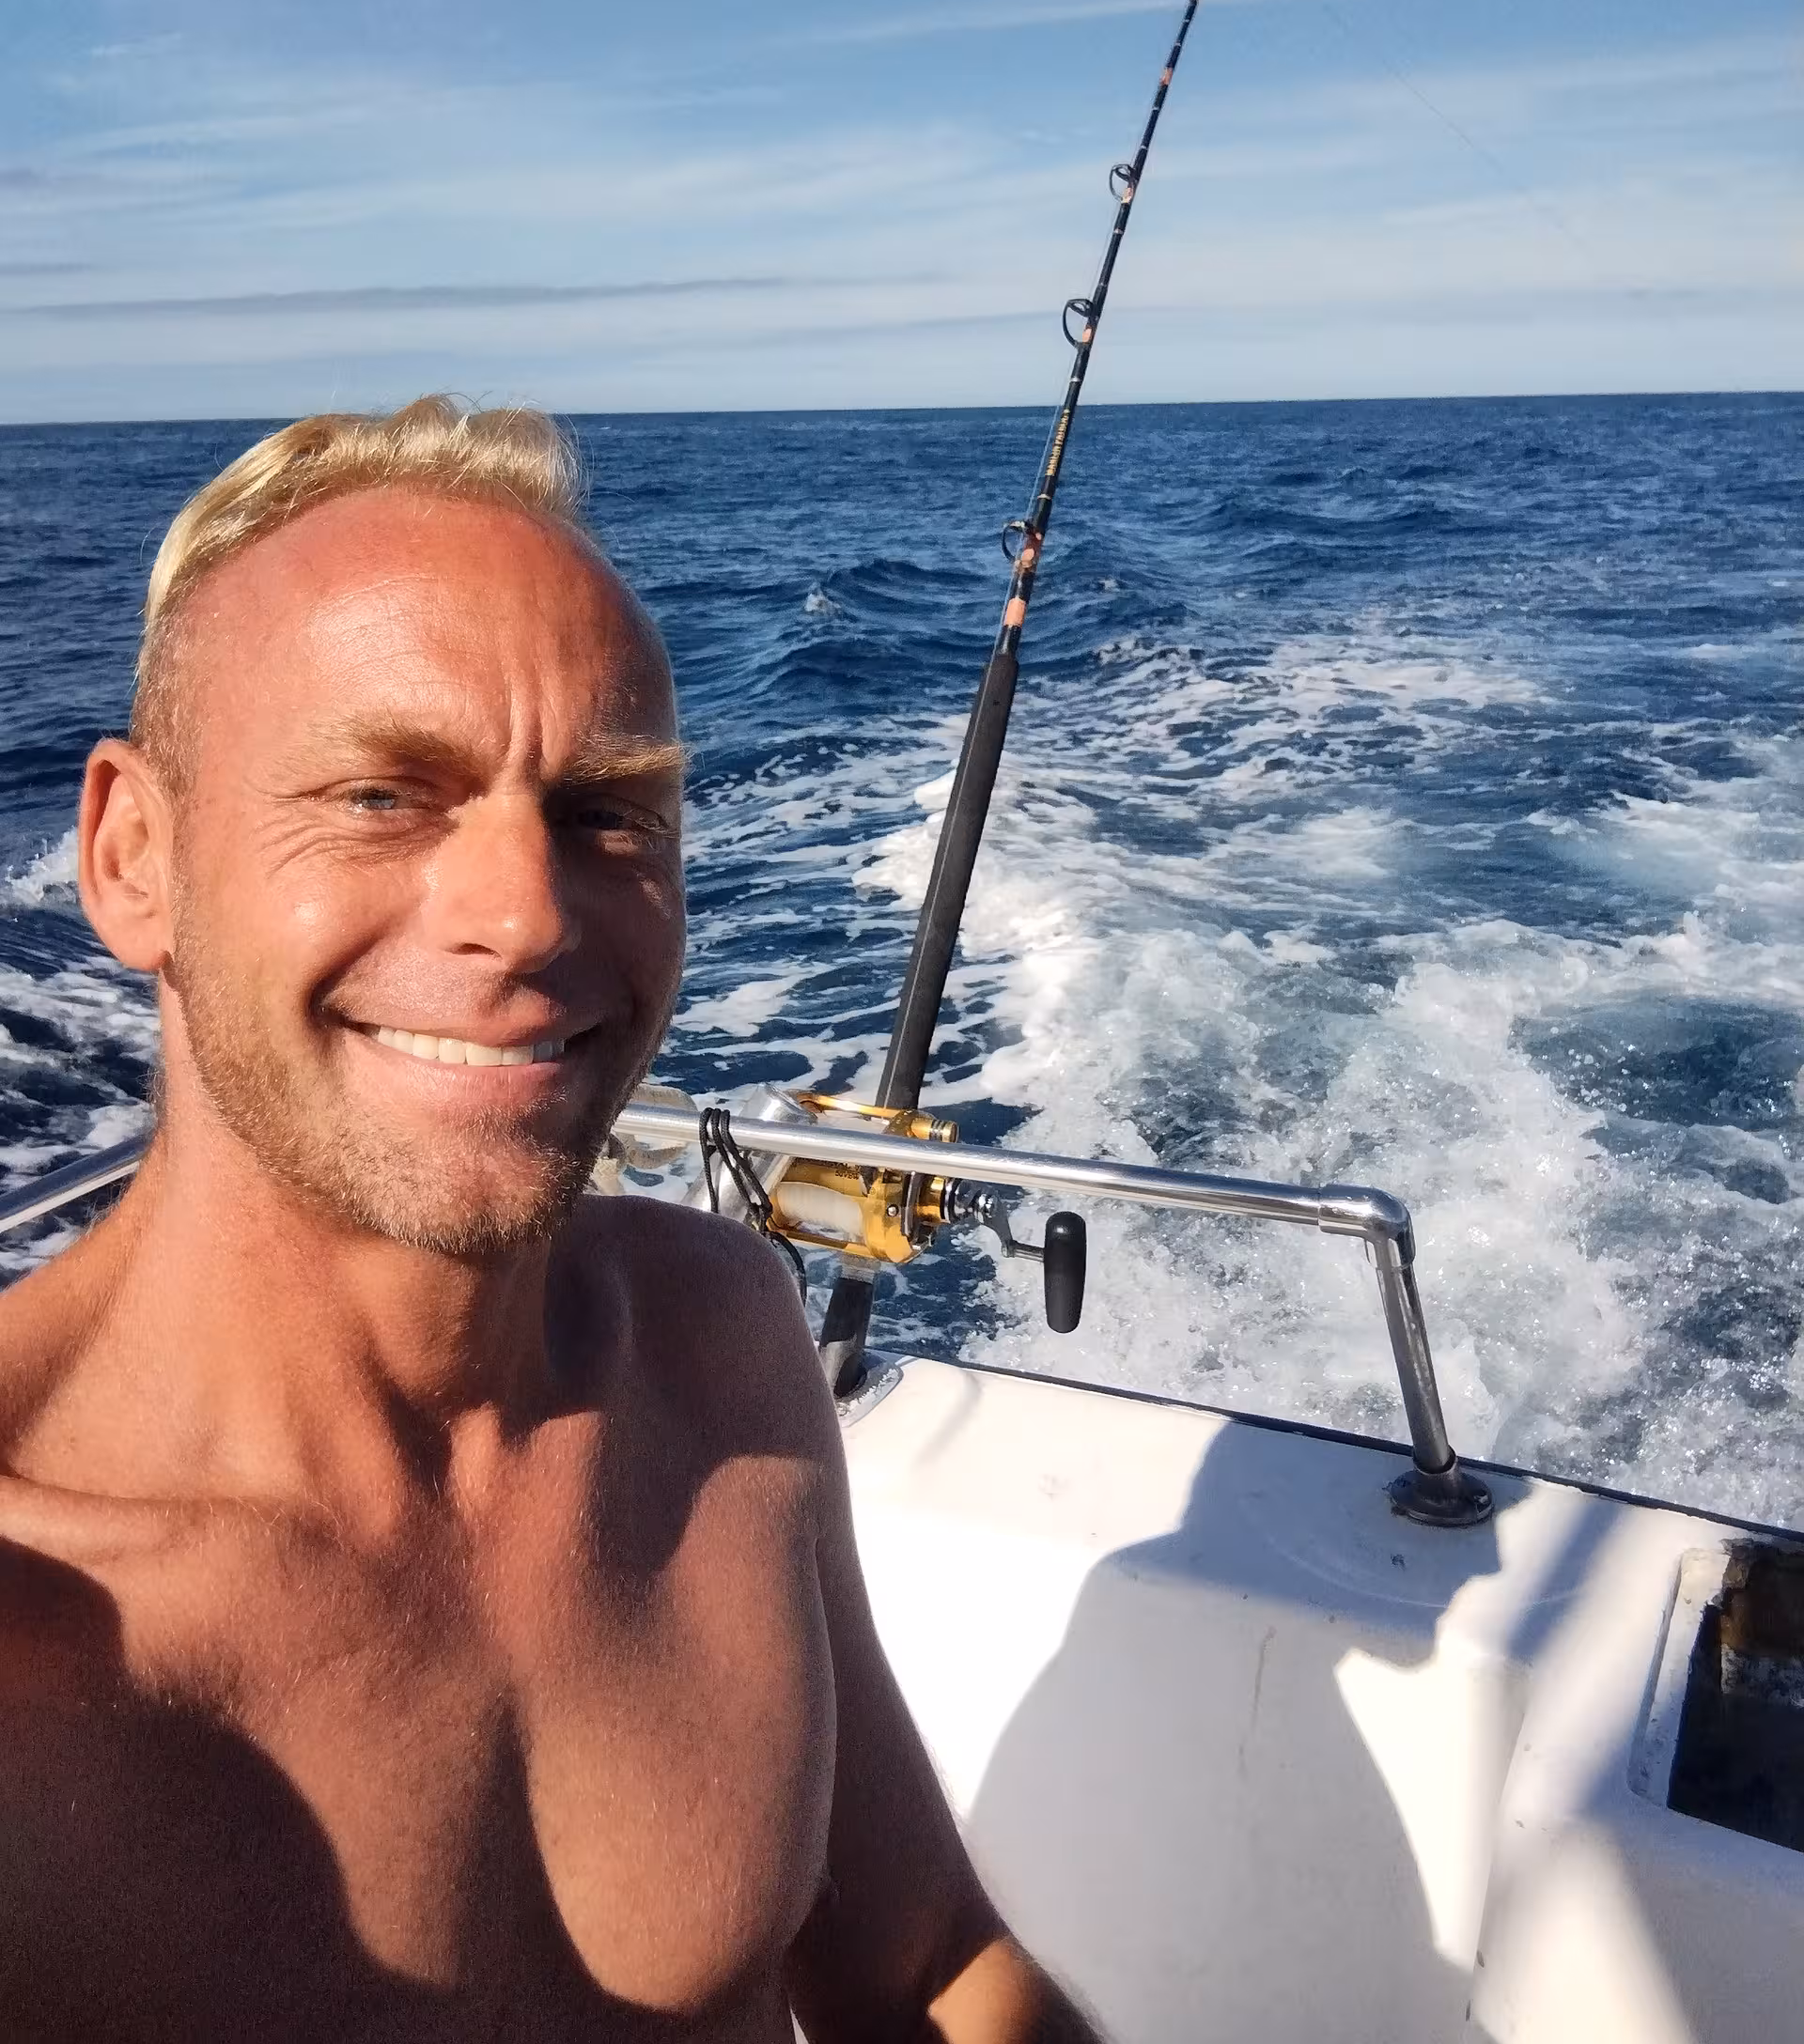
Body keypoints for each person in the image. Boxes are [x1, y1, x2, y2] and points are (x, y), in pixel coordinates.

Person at [0, 400, 1104, 2042]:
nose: (525, 915)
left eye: (607, 812)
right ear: (130, 856)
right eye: (383, 794)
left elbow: (927, 1961)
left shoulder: (719, 1343)